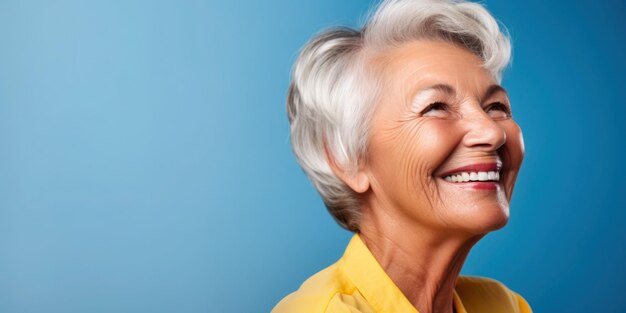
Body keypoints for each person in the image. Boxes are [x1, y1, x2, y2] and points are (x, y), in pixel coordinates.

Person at [273, 0, 531, 312]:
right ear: (347, 159)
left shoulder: (504, 305)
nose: (492, 132)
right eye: (436, 107)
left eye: (496, 107)